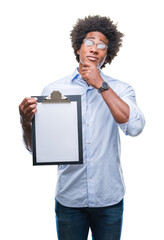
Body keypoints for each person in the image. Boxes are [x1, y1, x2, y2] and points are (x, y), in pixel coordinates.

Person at [19, 15, 145, 240]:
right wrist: (26, 123)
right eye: (89, 42)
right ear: (78, 48)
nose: (95, 48)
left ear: (108, 54)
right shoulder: (53, 89)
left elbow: (134, 127)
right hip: (70, 199)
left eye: (102, 45)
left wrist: (100, 85)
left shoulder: (120, 89)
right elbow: (36, 148)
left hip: (109, 200)